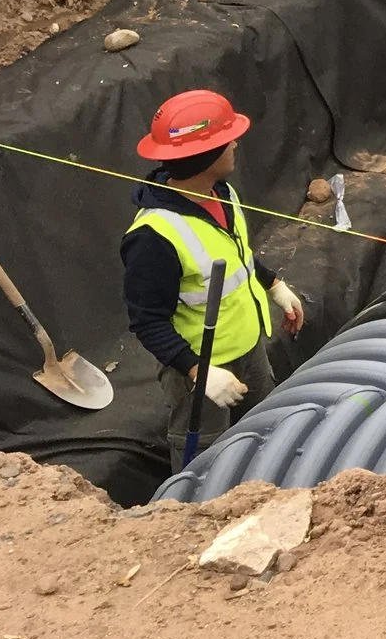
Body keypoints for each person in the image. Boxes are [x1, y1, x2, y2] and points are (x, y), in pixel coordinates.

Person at [122, 89, 305, 458]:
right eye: (226, 140)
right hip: (201, 365)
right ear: (204, 157)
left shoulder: (221, 192)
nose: (236, 144)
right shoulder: (153, 237)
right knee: (206, 455)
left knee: (266, 429)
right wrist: (198, 372)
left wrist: (272, 284)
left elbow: (234, 255)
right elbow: (147, 322)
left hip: (249, 347)